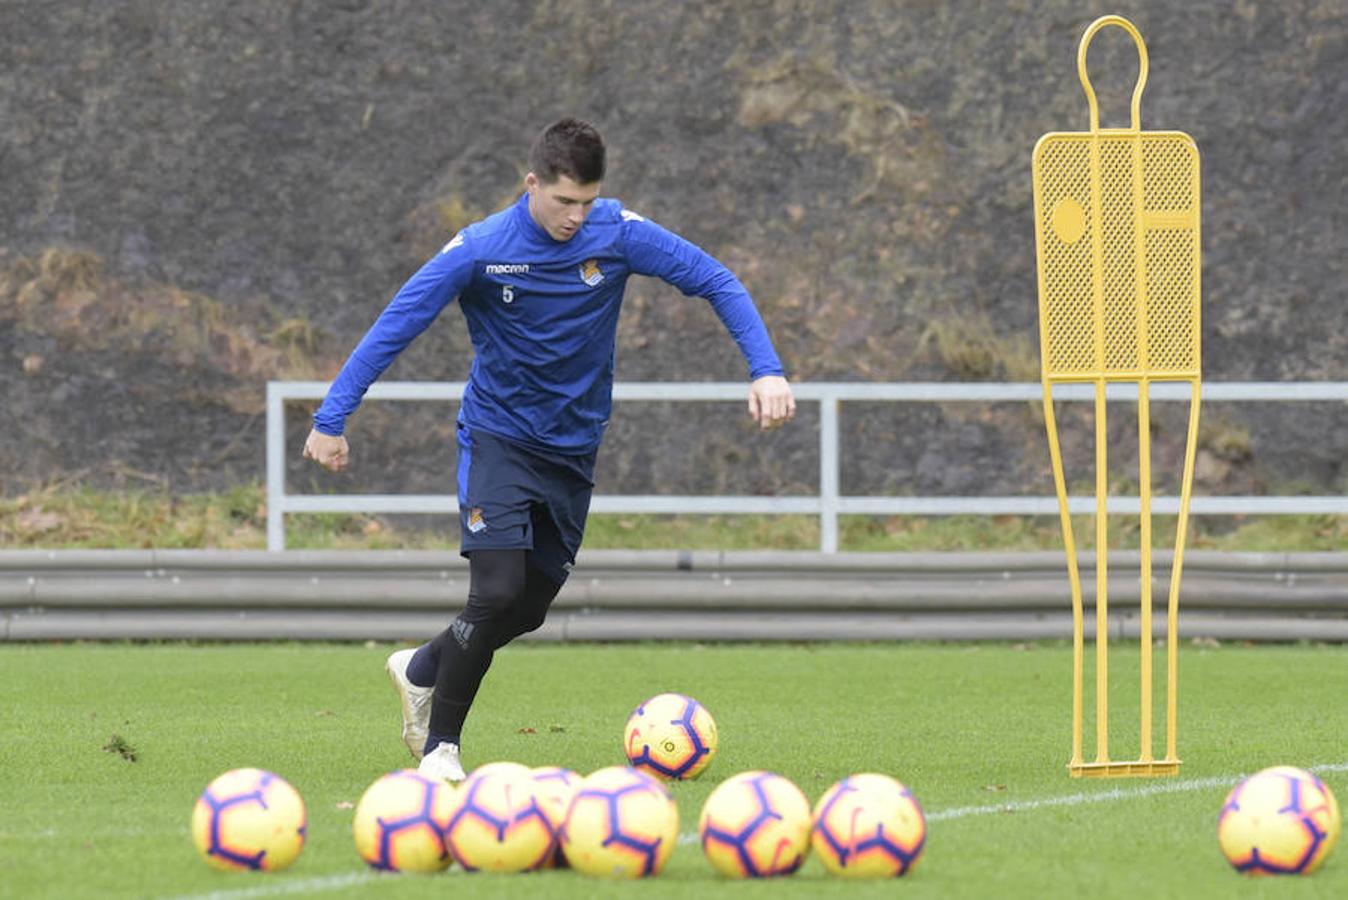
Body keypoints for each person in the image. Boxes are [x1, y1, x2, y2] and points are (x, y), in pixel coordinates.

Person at [302, 117, 795, 782]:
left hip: (573, 450)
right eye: (564, 201)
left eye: (587, 202)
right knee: (496, 589)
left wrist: (765, 368)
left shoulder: (617, 232)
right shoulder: (482, 248)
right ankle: (440, 747)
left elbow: (717, 279)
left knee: (529, 608)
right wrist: (332, 417)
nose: (575, 217)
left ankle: (420, 668)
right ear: (532, 184)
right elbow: (399, 322)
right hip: (500, 438)